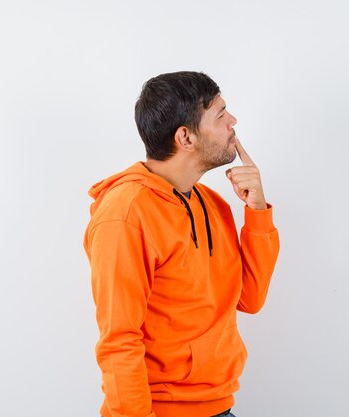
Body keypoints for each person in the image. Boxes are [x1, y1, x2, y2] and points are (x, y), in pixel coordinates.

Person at [83, 71, 280, 417]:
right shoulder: (126, 214)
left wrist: (257, 211)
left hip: (220, 406)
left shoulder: (212, 204)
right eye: (220, 115)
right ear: (185, 137)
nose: (233, 122)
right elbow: (119, 340)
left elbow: (249, 298)